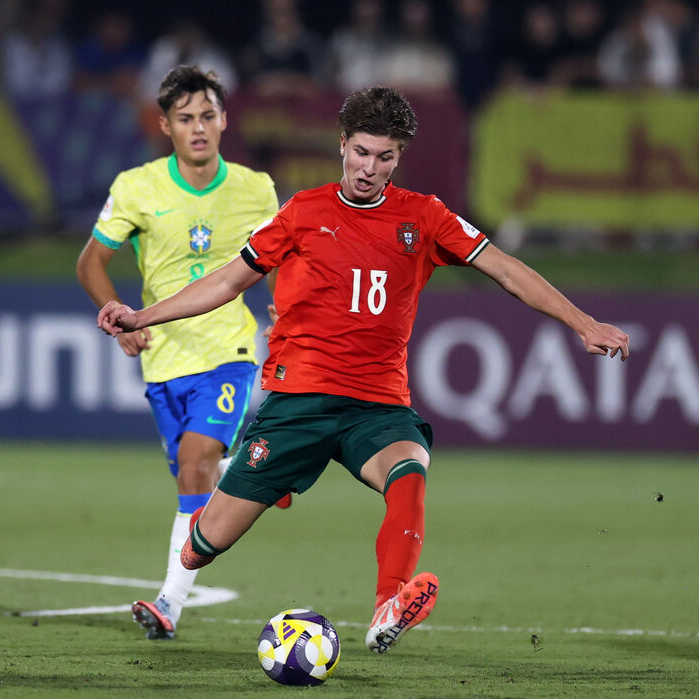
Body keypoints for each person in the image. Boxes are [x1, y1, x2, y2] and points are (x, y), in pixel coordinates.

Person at [98, 86, 630, 654]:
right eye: (361, 153)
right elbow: (227, 282)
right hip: (297, 401)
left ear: (398, 158)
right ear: (343, 145)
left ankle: (388, 606)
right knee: (202, 545)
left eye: (385, 157)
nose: (370, 169)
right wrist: (140, 315)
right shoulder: (303, 211)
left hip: (376, 403)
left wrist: (582, 322)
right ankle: (248, 489)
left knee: (410, 467)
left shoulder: (424, 217)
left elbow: (504, 269)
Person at [78, 64, 279, 640]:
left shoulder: (255, 189)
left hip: (231, 349)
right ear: (164, 124)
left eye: (208, 116)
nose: (199, 128)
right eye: (186, 118)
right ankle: (264, 467)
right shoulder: (137, 187)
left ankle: (169, 603)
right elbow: (90, 262)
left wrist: (288, 310)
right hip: (163, 361)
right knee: (198, 482)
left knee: (195, 464)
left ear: (224, 120)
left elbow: (289, 260)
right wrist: (119, 316)